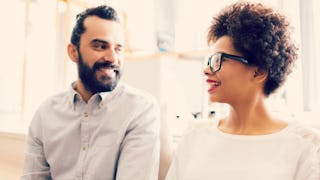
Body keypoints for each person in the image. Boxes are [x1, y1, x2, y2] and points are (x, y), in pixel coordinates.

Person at [166, 2, 320, 180]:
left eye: (218, 60)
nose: (207, 70)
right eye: (208, 60)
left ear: (259, 71)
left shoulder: (306, 145)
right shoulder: (194, 137)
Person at [22, 5, 160, 180]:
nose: (112, 58)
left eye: (118, 48)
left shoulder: (140, 109)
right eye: (100, 46)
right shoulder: (45, 113)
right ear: (73, 52)